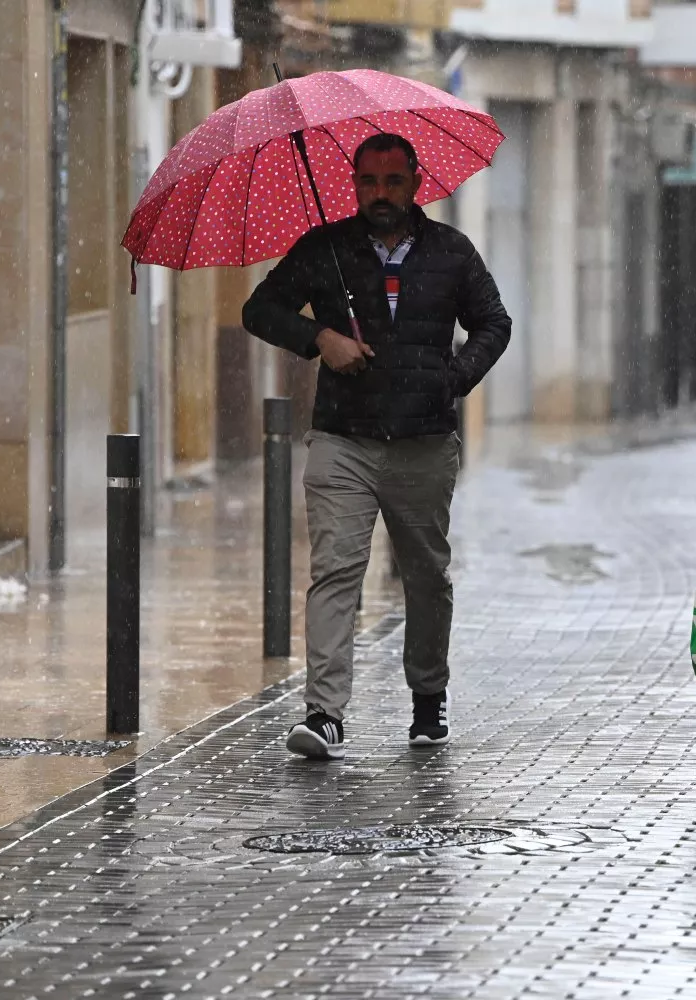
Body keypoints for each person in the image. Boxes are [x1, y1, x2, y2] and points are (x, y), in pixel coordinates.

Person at [242, 133, 511, 761]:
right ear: (353, 184)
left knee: (426, 576)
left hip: (423, 442)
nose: (380, 195)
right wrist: (319, 337)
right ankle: (325, 713)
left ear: (415, 182)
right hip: (343, 440)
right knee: (336, 570)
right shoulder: (325, 249)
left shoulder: (451, 252)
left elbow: (493, 323)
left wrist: (454, 376)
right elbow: (260, 310)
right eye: (367, 182)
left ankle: (427, 700)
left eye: (392, 182)